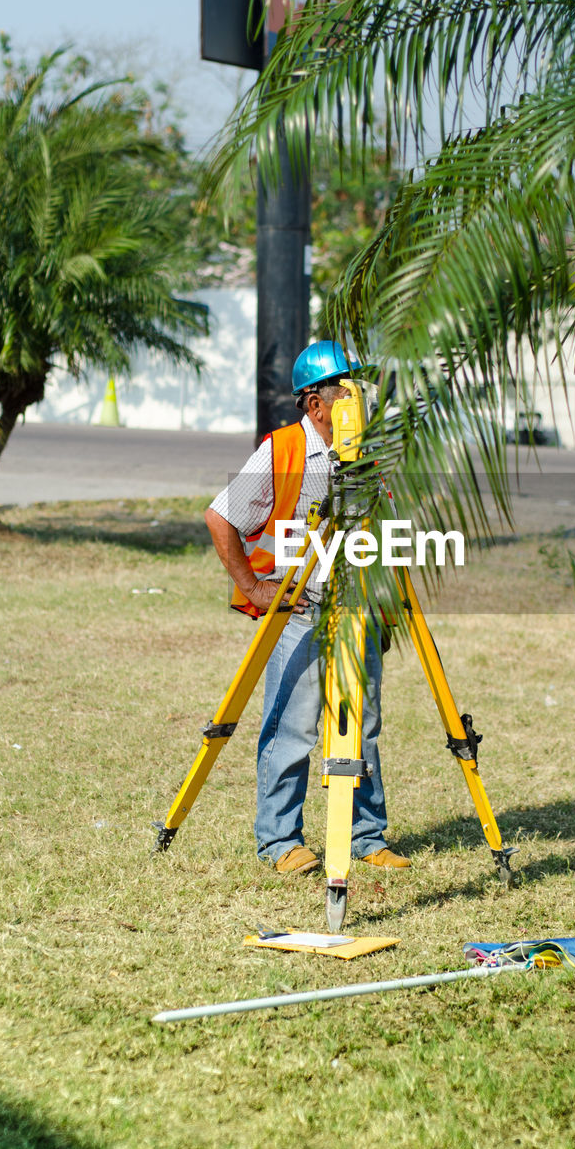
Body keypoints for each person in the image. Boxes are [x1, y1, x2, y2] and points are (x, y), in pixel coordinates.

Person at [204, 341, 411, 875]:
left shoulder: (371, 455)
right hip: (301, 611)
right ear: (315, 404)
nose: (358, 397)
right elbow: (220, 516)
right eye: (346, 389)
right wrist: (252, 586)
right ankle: (279, 841)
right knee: (291, 727)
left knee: (362, 725)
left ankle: (367, 835)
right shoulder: (283, 451)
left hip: (358, 611)